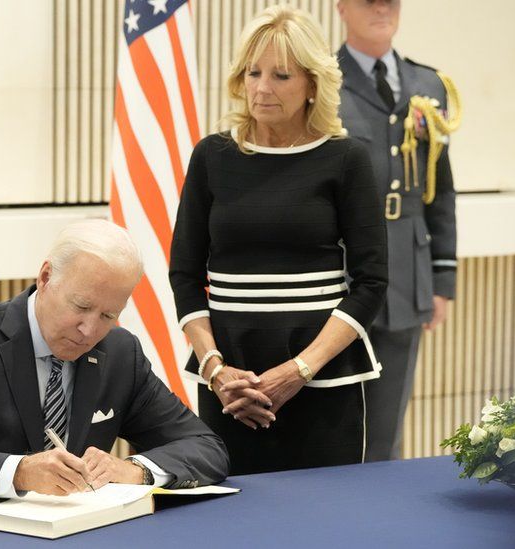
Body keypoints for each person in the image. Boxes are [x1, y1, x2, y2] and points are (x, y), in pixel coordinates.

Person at [169, 5, 387, 475]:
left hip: (325, 386)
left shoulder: (346, 159)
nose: (262, 88)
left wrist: (300, 370)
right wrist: (215, 370)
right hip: (231, 391)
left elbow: (371, 283)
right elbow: (184, 276)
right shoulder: (212, 156)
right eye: (253, 73)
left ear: (312, 84)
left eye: (281, 75)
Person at [0, 219, 228, 505]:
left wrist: (136, 470)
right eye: (80, 306)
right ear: (45, 278)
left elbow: (207, 448)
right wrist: (18, 472)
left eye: (108, 314)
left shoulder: (121, 353)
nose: (90, 330)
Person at [336, 0, 458, 461]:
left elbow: (439, 188)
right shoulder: (321, 79)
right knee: (335, 414)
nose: (381, 6)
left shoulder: (427, 85)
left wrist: (443, 276)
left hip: (408, 267)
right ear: (342, 7)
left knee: (389, 418)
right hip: (340, 267)